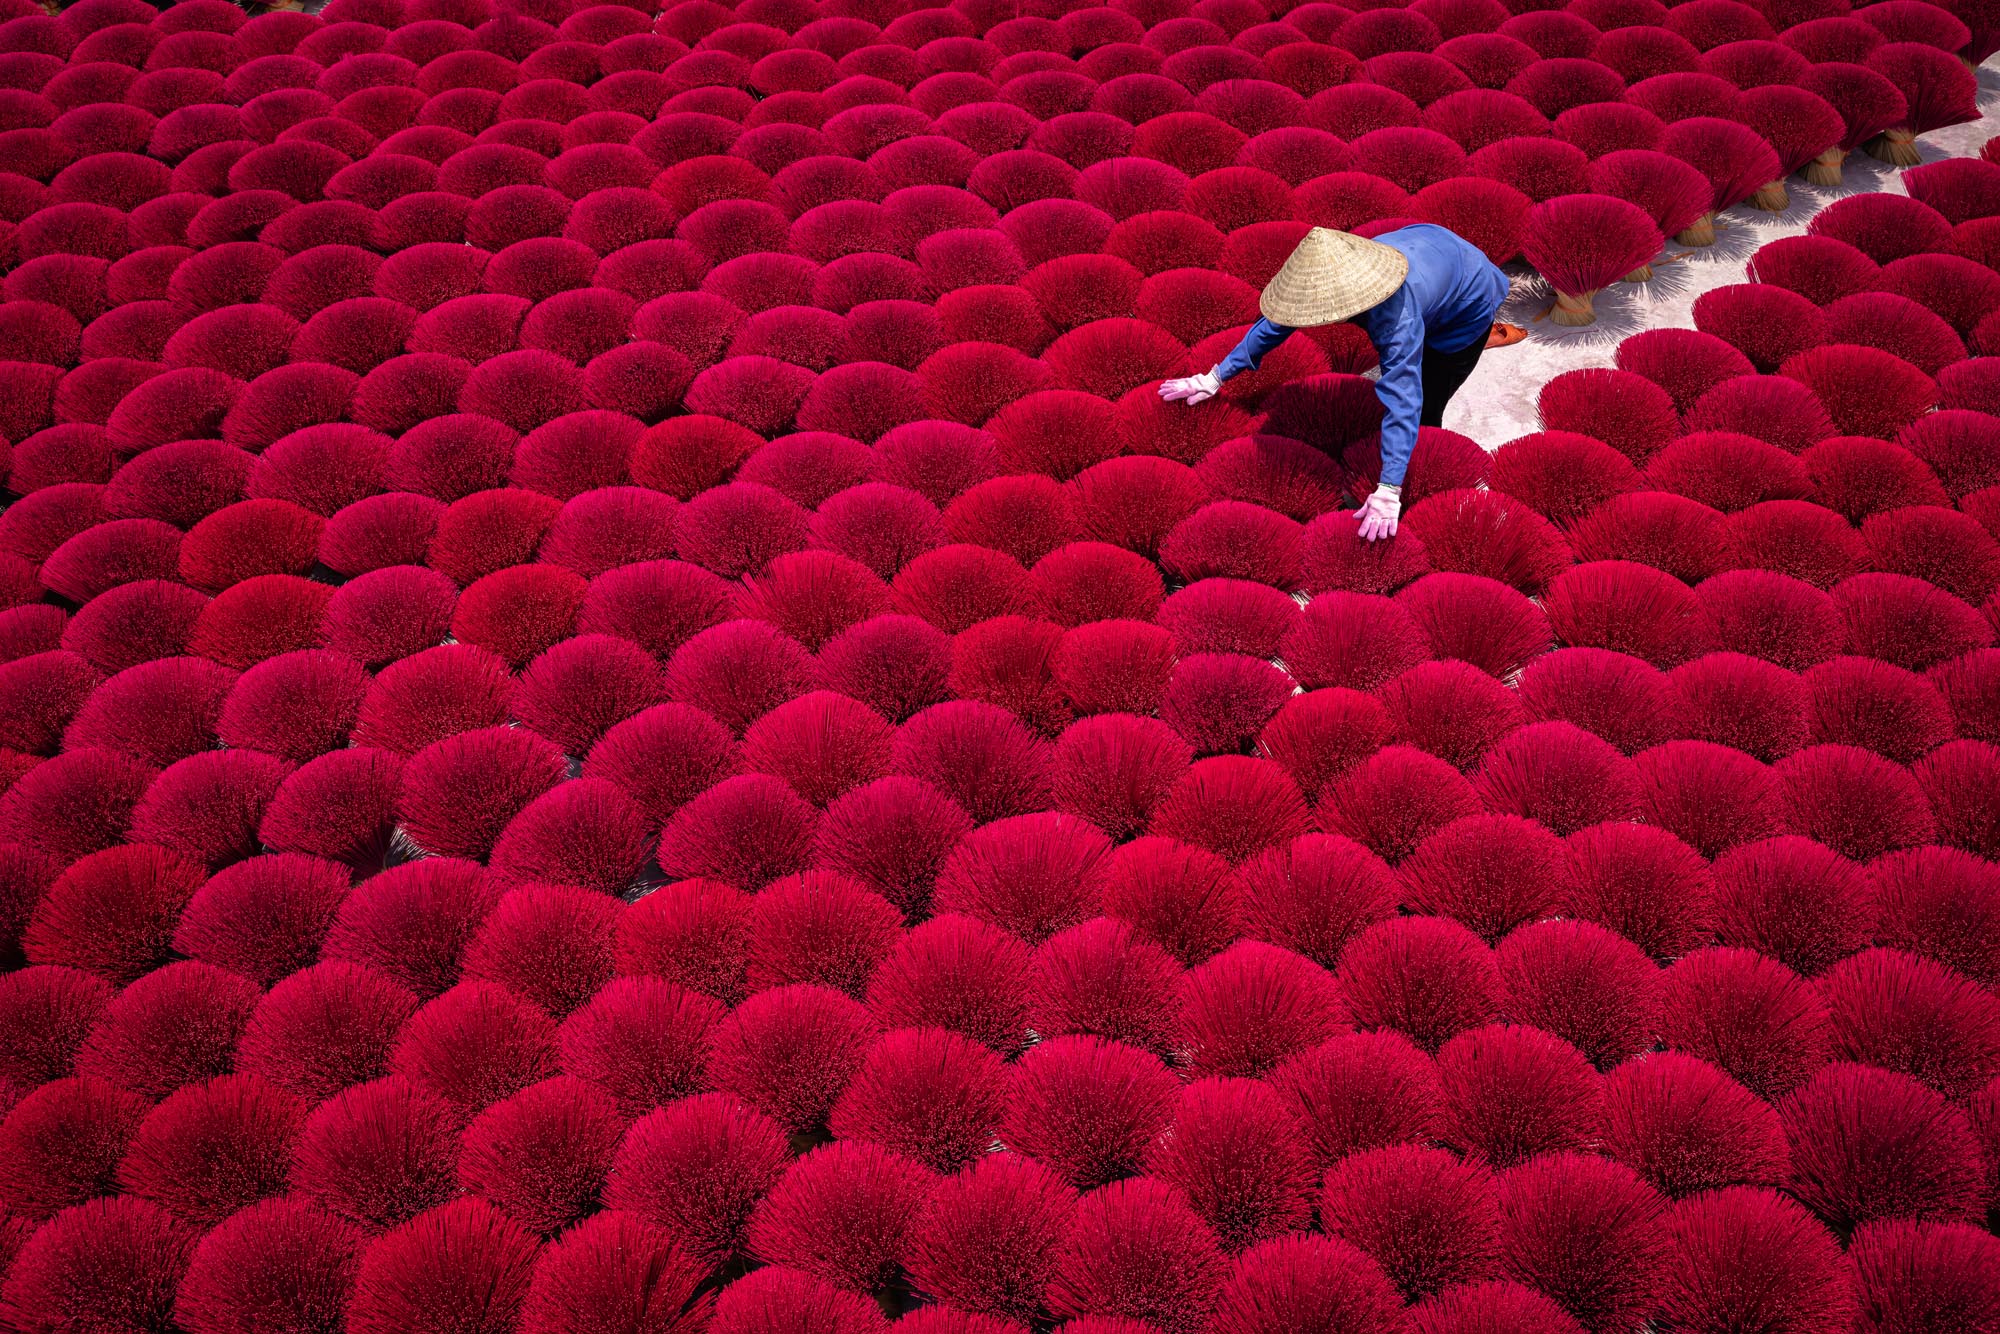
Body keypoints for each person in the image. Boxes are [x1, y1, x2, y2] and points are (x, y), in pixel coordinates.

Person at [1159, 224, 1520, 541]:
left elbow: (1404, 398)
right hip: (1429, 246)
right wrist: (1215, 376)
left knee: (1427, 400)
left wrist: (1389, 487)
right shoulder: (1337, 272)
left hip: (1468, 296)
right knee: (1408, 357)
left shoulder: (1395, 317)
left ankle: (1414, 496)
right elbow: (1273, 326)